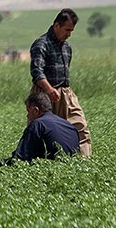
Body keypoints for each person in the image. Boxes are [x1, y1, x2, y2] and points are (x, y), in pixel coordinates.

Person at [29, 8, 92, 157]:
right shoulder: (41, 44)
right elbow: (37, 72)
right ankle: (36, 163)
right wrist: (49, 90)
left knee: (80, 126)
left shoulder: (67, 47)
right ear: (56, 25)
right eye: (67, 30)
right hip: (45, 93)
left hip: (65, 94)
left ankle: (84, 162)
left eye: (72, 31)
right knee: (40, 132)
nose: (69, 34)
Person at [0, 92, 80, 167]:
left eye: (28, 111)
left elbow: (20, 158)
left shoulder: (37, 124)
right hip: (73, 167)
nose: (27, 116)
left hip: (53, 169)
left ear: (35, 110)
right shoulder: (68, 124)